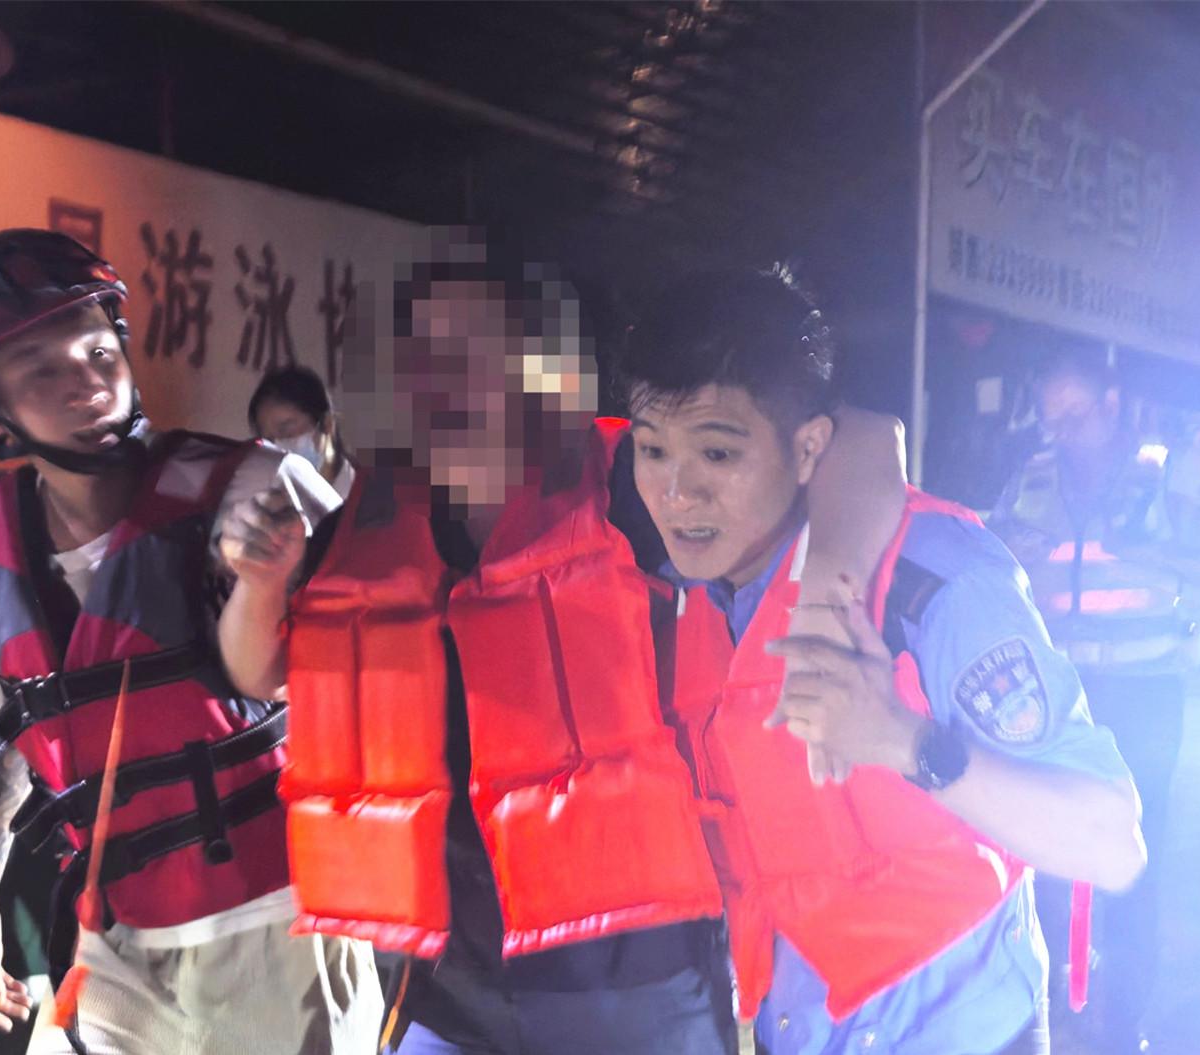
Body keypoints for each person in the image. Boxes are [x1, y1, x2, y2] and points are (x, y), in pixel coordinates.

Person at [218, 233, 905, 1055]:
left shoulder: (622, 482)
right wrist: (259, 583)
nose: (448, 380)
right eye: (424, 354)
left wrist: (825, 599)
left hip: (635, 984)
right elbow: (262, 671)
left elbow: (866, 439)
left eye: (478, 351)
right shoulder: (367, 524)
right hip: (447, 991)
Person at [614, 267, 1147, 1055]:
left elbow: (1110, 842)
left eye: (716, 453)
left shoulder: (930, 581)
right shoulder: (680, 605)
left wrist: (906, 741)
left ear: (807, 447)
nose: (675, 491)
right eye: (651, 449)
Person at [0, 229, 376, 1054]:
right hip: (113, 933)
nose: (88, 383)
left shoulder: (261, 487)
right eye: (41, 370)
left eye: (99, 351)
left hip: (280, 921)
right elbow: (8, 741)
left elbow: (372, 686)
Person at [989, 356, 1200, 1054]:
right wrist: (1011, 553)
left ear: (1112, 403)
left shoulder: (1168, 471)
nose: (1062, 432)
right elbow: (989, 556)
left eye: (1076, 415)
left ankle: (1123, 1020)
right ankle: (1059, 1000)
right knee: (1048, 850)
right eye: (1051, 419)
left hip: (1145, 693)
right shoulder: (1032, 476)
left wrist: (1147, 552)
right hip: (1058, 696)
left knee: (1131, 855)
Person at [248, 364, 357, 499]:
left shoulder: (366, 495)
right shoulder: (271, 499)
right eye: (269, 441)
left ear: (326, 425)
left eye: (286, 432)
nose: (277, 447)